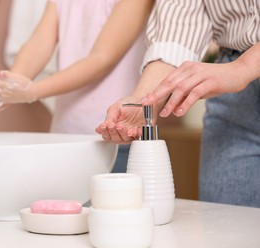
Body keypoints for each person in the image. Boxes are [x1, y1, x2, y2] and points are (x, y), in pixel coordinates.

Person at [96, 0, 260, 207]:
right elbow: (177, 32)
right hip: (231, 83)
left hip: (235, 71)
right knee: (228, 222)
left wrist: (244, 68)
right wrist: (143, 102)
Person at [0, 0, 154, 172]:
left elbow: (102, 58)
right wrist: (11, 84)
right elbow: (39, 43)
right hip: (65, 136)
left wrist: (32, 91)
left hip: (117, 135)